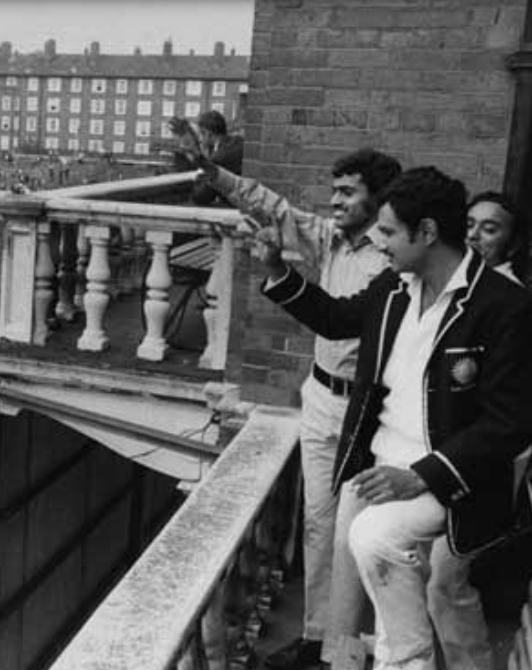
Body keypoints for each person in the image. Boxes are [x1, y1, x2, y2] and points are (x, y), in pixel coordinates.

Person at [258, 167, 532, 670]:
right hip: (375, 469)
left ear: (427, 232)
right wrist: (277, 272)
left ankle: (408, 661)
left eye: (388, 231)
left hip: (449, 480)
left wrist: (419, 476)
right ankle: (387, 659)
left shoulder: (508, 308)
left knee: (380, 543)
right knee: (371, 577)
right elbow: (337, 318)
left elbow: (509, 423)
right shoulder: (393, 287)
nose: (375, 240)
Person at [171, 118, 403, 670]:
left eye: (348, 192)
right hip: (320, 397)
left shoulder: (391, 259)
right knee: (320, 521)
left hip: (365, 409)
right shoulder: (331, 239)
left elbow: (340, 320)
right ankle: (320, 638)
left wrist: (276, 270)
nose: (335, 200)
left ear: (378, 199)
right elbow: (273, 206)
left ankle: (351, 644)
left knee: (359, 530)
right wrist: (218, 175)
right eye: (334, 190)